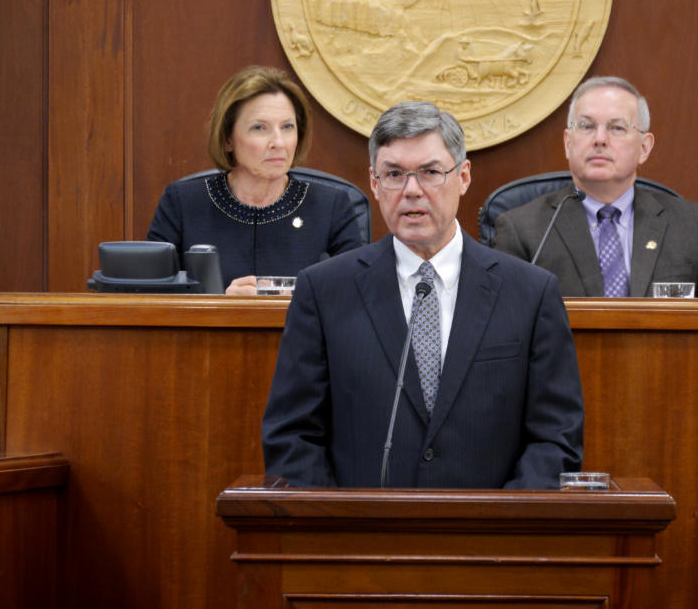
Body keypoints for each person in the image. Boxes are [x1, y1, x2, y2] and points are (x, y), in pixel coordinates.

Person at [262, 101, 584, 489]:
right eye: (394, 174)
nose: (411, 191)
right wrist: (338, 529)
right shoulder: (324, 291)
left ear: (463, 176)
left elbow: (556, 439)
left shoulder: (531, 294)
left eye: (430, 172)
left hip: (491, 540)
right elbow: (292, 437)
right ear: (374, 182)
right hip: (360, 539)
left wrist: (503, 528)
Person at [494, 76, 698, 298]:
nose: (600, 139)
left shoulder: (694, 228)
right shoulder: (523, 230)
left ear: (644, 148)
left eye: (616, 127)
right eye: (587, 126)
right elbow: (506, 329)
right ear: (568, 143)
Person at [146, 65, 363, 294]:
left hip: (303, 330)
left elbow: (359, 295)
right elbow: (149, 299)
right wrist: (221, 305)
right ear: (228, 138)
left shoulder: (331, 206)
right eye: (260, 128)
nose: (278, 142)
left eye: (287, 127)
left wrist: (307, 300)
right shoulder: (182, 203)